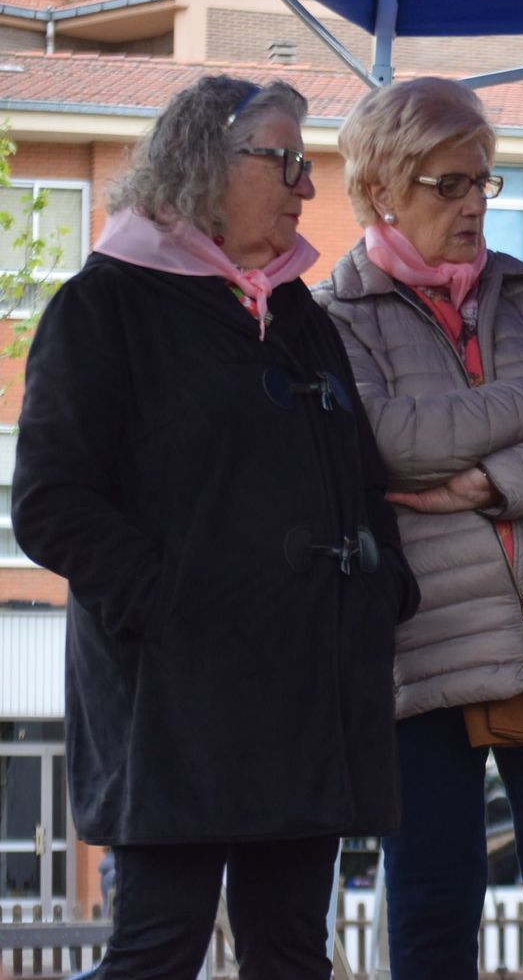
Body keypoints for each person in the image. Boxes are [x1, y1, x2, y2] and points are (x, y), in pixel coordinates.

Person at [10, 75, 418, 979]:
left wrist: (382, 585)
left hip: (305, 685)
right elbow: (49, 501)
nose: (306, 187)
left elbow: (357, 478)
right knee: (158, 951)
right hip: (176, 695)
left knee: (291, 954)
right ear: (206, 163)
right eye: (285, 162)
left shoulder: (296, 311)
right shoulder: (105, 305)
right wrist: (173, 601)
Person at [315, 76, 523, 980]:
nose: (473, 205)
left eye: (483, 182)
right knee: (432, 904)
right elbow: (389, 442)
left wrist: (493, 485)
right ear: (381, 188)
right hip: (420, 642)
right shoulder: (333, 316)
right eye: (447, 185)